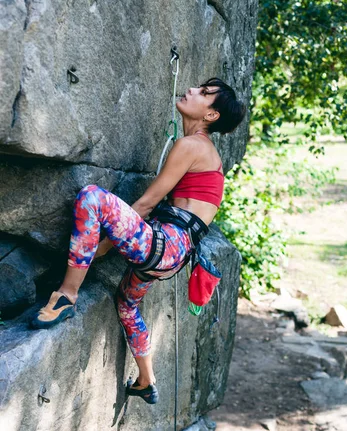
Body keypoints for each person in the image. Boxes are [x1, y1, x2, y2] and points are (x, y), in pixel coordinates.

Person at [32, 78, 246, 404]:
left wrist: (102, 245)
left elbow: (146, 204)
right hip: (174, 255)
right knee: (127, 303)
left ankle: (66, 294)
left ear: (211, 115)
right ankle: (146, 379)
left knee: (92, 199)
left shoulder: (193, 146)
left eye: (203, 94)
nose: (191, 90)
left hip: (165, 245)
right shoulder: (206, 154)